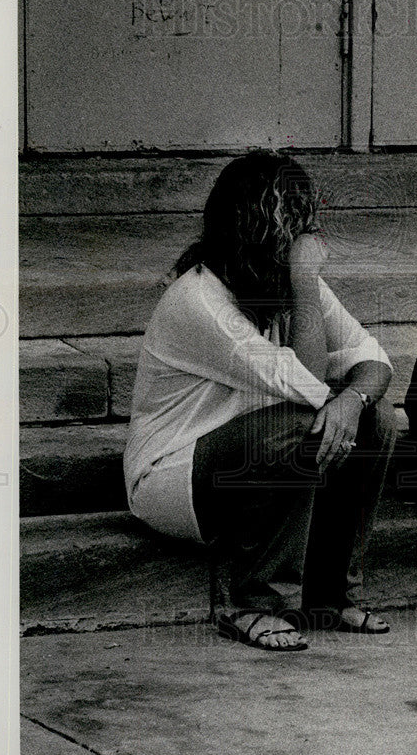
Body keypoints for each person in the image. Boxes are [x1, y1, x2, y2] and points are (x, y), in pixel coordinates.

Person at [123, 152, 396, 652]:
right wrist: (306, 287)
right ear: (252, 228)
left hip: (257, 463)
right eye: (291, 223)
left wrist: (354, 400)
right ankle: (253, 604)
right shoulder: (199, 300)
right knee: (302, 423)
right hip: (174, 477)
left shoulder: (283, 284)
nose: (306, 235)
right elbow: (310, 384)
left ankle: (330, 596)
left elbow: (376, 363)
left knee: (376, 416)